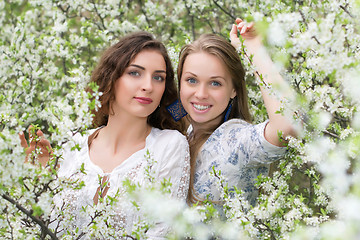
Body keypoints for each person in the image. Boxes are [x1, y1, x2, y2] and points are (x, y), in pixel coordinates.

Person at [20, 32, 190, 239]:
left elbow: (165, 230)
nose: (148, 86)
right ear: (111, 77)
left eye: (158, 77)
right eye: (135, 73)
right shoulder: (74, 145)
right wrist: (39, 182)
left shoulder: (170, 145)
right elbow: (44, 227)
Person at [176, 18, 298, 210]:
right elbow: (156, 111)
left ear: (234, 90)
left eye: (215, 83)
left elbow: (288, 126)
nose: (200, 94)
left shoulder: (235, 139)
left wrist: (255, 50)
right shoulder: (181, 126)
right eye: (191, 80)